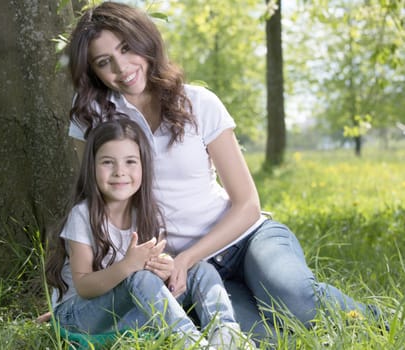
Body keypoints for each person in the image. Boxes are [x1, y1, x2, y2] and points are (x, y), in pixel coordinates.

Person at [62, 0, 385, 343]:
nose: (122, 66)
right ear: (93, 71)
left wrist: (187, 257)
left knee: (295, 299)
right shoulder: (94, 115)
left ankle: (380, 320)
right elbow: (96, 204)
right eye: (104, 62)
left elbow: (246, 203)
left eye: (127, 48)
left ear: (144, 40)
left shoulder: (198, 102)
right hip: (195, 274)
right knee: (266, 336)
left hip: (246, 239)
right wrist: (74, 296)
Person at [45, 118, 257, 349]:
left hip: (128, 312)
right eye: (108, 162)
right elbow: (84, 286)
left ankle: (226, 335)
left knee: (198, 270)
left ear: (144, 167)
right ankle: (190, 342)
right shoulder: (83, 215)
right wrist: (128, 266)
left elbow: (148, 274)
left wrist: (164, 268)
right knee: (138, 277)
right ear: (91, 167)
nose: (120, 172)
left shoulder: (145, 214)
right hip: (80, 318)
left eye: (130, 162)